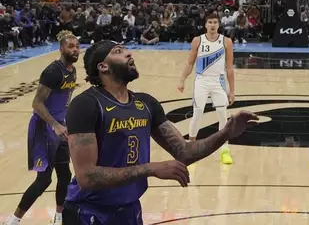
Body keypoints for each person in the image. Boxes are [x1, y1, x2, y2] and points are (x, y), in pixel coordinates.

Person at [62, 40, 257, 225]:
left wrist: (225, 133)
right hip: (88, 212)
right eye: (119, 51)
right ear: (102, 66)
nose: (129, 53)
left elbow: (184, 152)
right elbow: (86, 177)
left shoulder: (146, 104)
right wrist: (150, 168)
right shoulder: (86, 105)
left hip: (129, 209)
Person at [5, 31, 79, 225]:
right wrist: (54, 124)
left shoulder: (72, 70)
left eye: (77, 46)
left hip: (61, 128)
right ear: (62, 48)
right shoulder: (52, 71)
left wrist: (65, 121)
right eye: (71, 46)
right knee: (44, 180)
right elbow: (37, 103)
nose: (76, 50)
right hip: (44, 128)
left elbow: (65, 99)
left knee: (65, 174)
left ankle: (58, 217)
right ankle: (14, 220)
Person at [177, 14, 235, 164]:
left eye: (215, 22)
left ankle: (225, 151)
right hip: (201, 81)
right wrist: (182, 80)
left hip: (218, 82)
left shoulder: (226, 42)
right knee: (197, 114)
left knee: (223, 116)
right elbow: (190, 63)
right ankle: (190, 148)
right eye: (210, 22)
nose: (213, 25)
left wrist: (232, 90)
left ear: (219, 24)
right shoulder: (198, 40)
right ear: (205, 25)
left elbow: (229, 68)